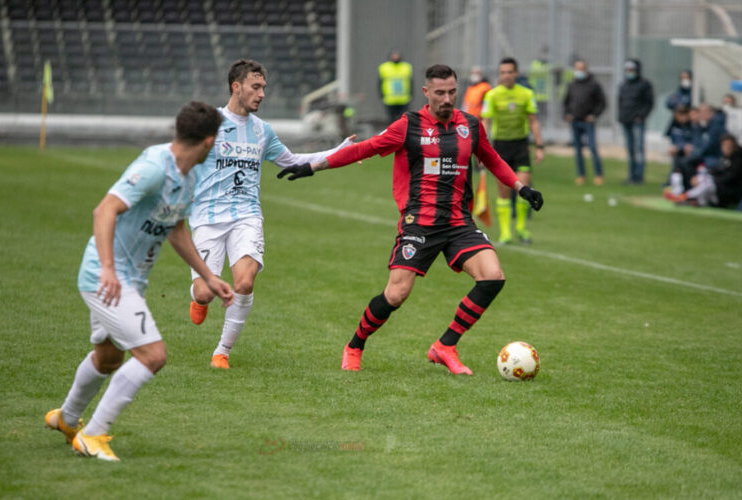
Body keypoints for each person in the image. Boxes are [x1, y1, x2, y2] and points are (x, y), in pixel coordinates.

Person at [276, 64, 544, 375]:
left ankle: (445, 346)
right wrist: (312, 166)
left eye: (452, 92)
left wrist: (521, 188)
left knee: (493, 276)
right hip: (420, 223)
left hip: (458, 222)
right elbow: (364, 148)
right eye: (440, 93)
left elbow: (492, 159)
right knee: (396, 294)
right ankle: (355, 345)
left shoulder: (470, 126)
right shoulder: (409, 125)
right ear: (426, 92)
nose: (447, 99)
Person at [45, 102, 234, 461]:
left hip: (129, 278)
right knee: (152, 355)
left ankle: (67, 419)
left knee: (108, 357)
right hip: (107, 278)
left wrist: (209, 276)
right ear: (209, 141)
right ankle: (92, 435)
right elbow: (104, 210)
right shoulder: (153, 168)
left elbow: (175, 229)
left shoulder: (189, 176)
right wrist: (107, 269)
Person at [187, 60, 353, 370]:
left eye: (264, 87)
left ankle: (222, 351)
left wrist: (340, 151)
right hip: (207, 218)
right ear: (236, 87)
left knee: (245, 283)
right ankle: (198, 299)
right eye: (255, 87)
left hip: (246, 216)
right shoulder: (209, 123)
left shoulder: (262, 131)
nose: (262, 94)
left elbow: (293, 161)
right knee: (206, 292)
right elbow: (181, 158)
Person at [481, 57, 545, 245]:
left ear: (516, 73)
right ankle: (506, 233)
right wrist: (482, 149)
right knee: (504, 192)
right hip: (501, 147)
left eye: (509, 72)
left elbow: (533, 121)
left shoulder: (525, 94)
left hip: (520, 146)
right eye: (502, 72)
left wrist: (540, 146)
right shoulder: (492, 95)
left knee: (523, 188)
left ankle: (522, 229)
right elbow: (486, 121)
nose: (506, 76)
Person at [665, 134, 742, 209]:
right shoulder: (724, 158)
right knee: (702, 178)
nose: (726, 147)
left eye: (728, 145)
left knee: (707, 183)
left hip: (729, 190)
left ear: (733, 145)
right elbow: (717, 171)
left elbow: (731, 177)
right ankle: (691, 199)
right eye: (724, 145)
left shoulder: (738, 159)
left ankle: (685, 197)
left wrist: (713, 179)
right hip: (718, 188)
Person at [563, 58, 606, 185]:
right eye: (577, 69)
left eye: (581, 69)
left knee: (592, 147)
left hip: (588, 121)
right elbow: (566, 102)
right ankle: (581, 175)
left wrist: (594, 115)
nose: (579, 71)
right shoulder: (572, 84)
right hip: (575, 121)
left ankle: (598, 174)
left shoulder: (594, 85)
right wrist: (567, 114)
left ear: (586, 70)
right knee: (578, 150)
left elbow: (602, 103)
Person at [617, 58, 654, 184]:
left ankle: (639, 177)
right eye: (627, 70)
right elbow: (620, 102)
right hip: (625, 120)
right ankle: (631, 176)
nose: (629, 72)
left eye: (631, 69)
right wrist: (621, 117)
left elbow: (649, 103)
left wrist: (641, 116)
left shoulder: (644, 84)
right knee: (630, 149)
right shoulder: (624, 85)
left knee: (639, 149)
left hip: (637, 121)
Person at [378, 50, 413, 124]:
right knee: (391, 120)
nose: (395, 57)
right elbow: (380, 82)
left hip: (404, 99)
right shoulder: (384, 67)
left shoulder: (406, 67)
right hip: (390, 99)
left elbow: (411, 81)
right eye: (394, 55)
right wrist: (381, 94)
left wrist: (411, 93)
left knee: (403, 120)